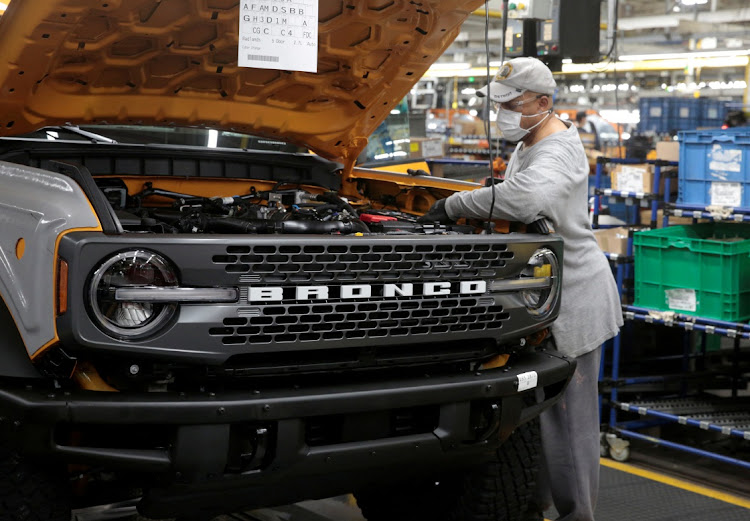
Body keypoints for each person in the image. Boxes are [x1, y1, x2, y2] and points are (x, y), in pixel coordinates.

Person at [418, 57, 623, 521]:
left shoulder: (556, 149)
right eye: (498, 104)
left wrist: (453, 205)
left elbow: (526, 197)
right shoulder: (532, 140)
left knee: (570, 423)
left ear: (544, 103)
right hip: (543, 294)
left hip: (574, 300)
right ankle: (535, 506)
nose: (502, 114)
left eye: (512, 104)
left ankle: (578, 517)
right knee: (541, 419)